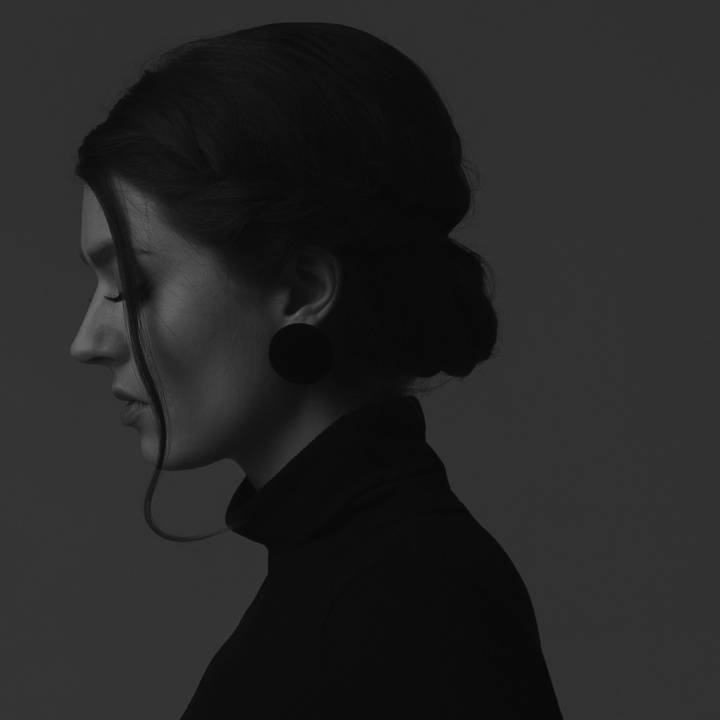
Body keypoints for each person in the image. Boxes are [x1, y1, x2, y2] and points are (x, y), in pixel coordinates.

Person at [70, 21, 564, 718]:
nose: (87, 341)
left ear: (303, 289)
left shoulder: (405, 605)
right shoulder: (367, 579)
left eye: (132, 285)